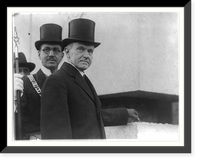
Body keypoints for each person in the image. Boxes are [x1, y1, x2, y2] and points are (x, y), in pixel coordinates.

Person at [41, 18, 139, 139]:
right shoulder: (57, 80)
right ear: (67, 52)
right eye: (81, 49)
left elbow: (91, 116)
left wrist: (123, 114)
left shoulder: (82, 78)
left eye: (90, 51)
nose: (86, 55)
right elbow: (56, 135)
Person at [14, 23, 64, 140]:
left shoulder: (68, 82)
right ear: (38, 54)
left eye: (56, 50)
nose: (51, 54)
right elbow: (17, 123)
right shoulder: (25, 83)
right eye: (46, 50)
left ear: (62, 55)